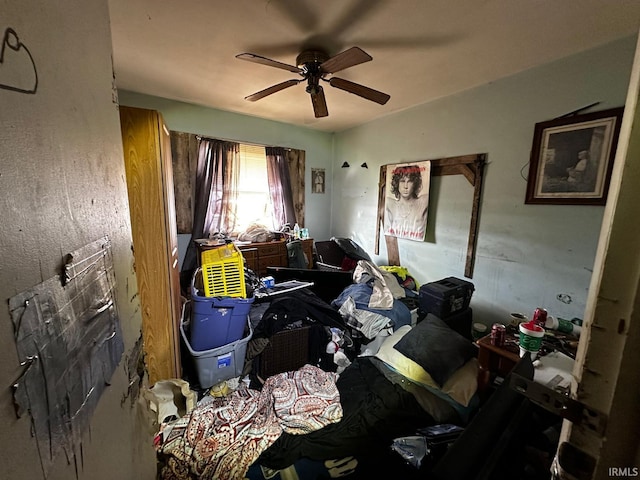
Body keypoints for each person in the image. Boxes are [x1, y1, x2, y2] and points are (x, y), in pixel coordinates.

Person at [384, 164, 429, 240]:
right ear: (397, 183)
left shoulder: (422, 202)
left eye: (410, 181)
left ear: (415, 183)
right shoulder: (390, 204)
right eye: (402, 181)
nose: (405, 186)